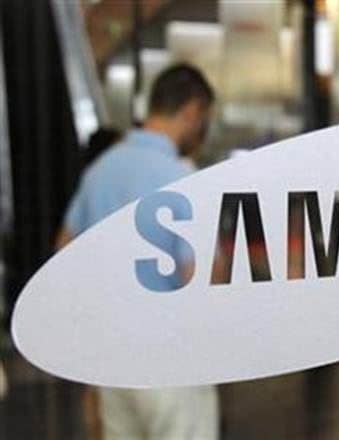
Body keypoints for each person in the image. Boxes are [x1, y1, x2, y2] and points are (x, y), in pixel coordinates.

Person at [57, 64, 219, 440]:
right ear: (192, 112)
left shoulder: (101, 171)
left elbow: (63, 248)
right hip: (172, 361)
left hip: (114, 360)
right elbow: (199, 276)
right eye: (204, 120)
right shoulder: (182, 178)